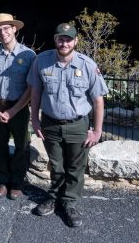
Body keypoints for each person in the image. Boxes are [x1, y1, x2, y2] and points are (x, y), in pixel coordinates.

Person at [28, 22, 108, 228]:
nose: (64, 43)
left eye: (68, 39)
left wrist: (97, 131)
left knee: (75, 166)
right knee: (56, 165)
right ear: (55, 39)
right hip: (50, 124)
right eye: (60, 39)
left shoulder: (87, 65)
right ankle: (54, 198)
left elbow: (98, 100)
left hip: (77, 125)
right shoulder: (41, 61)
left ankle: (70, 203)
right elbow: (35, 93)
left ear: (75, 41)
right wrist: (35, 120)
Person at [0, 13, 36, 199]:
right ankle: (3, 180)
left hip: (18, 107)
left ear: (14, 29)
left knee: (22, 145)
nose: (3, 32)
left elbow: (31, 88)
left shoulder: (28, 55)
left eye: (6, 28)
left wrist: (13, 110)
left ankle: (17, 182)